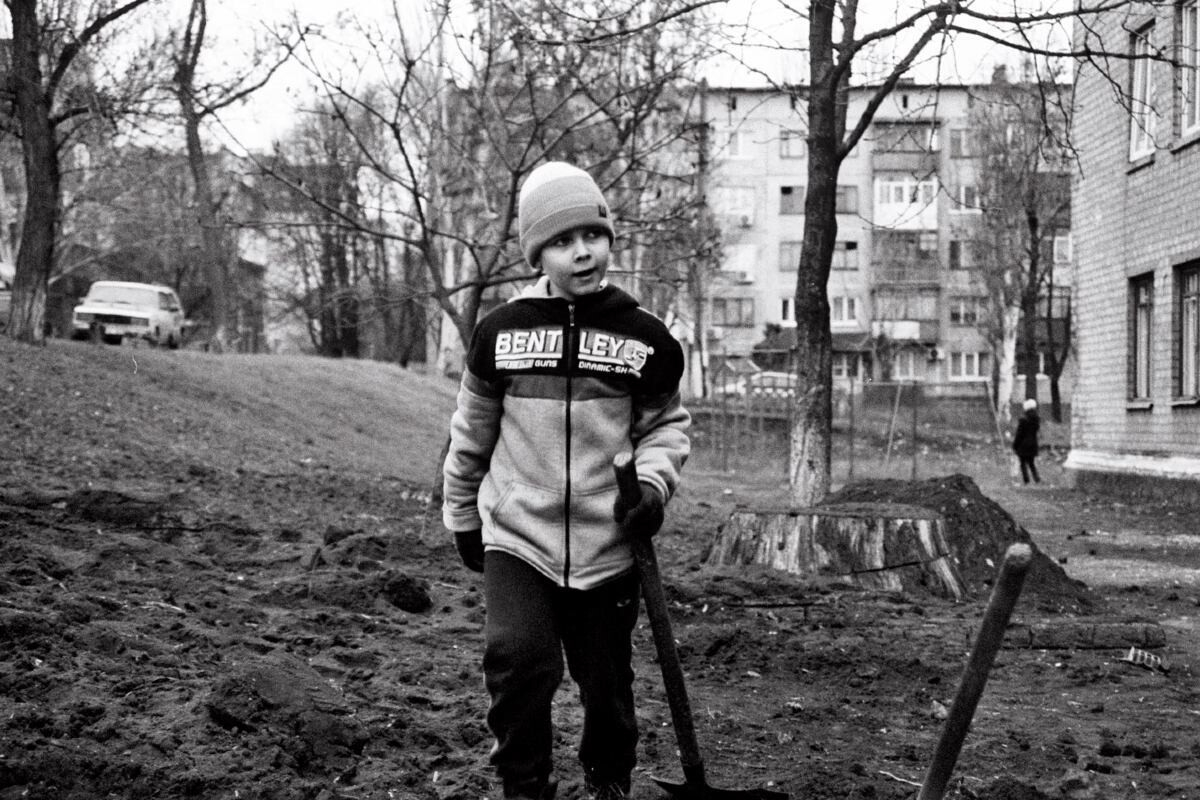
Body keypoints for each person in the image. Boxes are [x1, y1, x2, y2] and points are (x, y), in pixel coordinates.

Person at [442, 161, 691, 800]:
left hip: (609, 546)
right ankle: (525, 789)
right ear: (537, 253)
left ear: (609, 237)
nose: (582, 251)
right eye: (561, 240)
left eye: (593, 234)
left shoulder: (646, 338)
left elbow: (665, 429)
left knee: (606, 684)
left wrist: (653, 489)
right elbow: (470, 434)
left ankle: (608, 783)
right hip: (518, 536)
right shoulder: (500, 334)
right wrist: (463, 517)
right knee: (518, 660)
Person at [1012, 397, 1041, 484]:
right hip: (1033, 444)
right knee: (1031, 463)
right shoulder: (1036, 420)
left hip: (1023, 445)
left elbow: (1019, 434)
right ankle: (1036, 478)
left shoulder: (1023, 420)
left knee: (1023, 463)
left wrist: (1015, 445)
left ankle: (1026, 480)